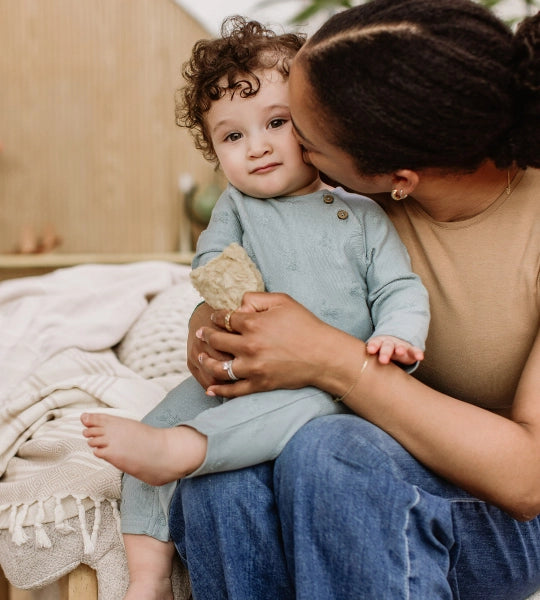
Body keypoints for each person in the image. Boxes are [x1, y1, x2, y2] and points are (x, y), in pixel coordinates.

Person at [166, 1, 540, 599]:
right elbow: (262, 244)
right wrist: (214, 324)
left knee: (333, 451)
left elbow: (529, 480)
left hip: (509, 510)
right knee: (218, 475)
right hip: (370, 449)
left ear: (398, 176)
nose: (287, 153)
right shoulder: (347, 190)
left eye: (302, 137)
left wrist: (334, 361)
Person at [80, 16, 430, 600]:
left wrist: (397, 333)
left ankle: (187, 450)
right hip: (246, 368)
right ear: (214, 150)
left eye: (276, 123)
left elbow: (399, 287)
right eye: (232, 136)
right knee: (157, 424)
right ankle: (146, 577)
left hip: (332, 383)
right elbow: (210, 264)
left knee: (288, 410)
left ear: (316, 126)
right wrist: (223, 306)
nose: (258, 146)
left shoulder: (361, 214)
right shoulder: (237, 208)